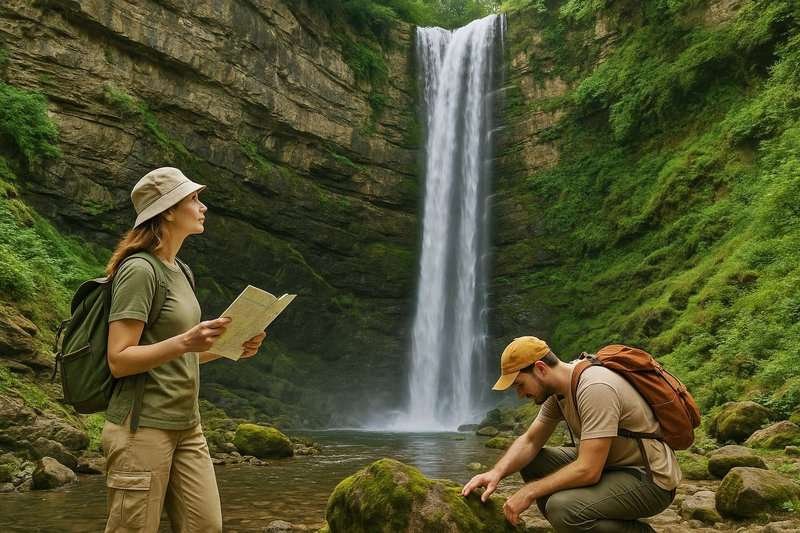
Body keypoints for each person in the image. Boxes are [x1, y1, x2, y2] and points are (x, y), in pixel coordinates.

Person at [101, 167, 267, 533]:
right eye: (194, 199)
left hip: (187, 427)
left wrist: (230, 347)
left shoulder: (181, 271)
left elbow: (183, 353)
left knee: (206, 525)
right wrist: (186, 340)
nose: (203, 206)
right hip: (141, 428)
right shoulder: (140, 270)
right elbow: (119, 360)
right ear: (169, 211)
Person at [462, 336, 680, 532]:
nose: (519, 395)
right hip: (611, 465)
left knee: (562, 509)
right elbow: (530, 441)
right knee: (531, 462)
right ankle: (578, 524)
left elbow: (588, 470)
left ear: (540, 369)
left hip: (649, 478)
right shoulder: (559, 390)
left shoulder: (595, 388)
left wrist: (528, 492)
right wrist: (496, 473)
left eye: (520, 384)